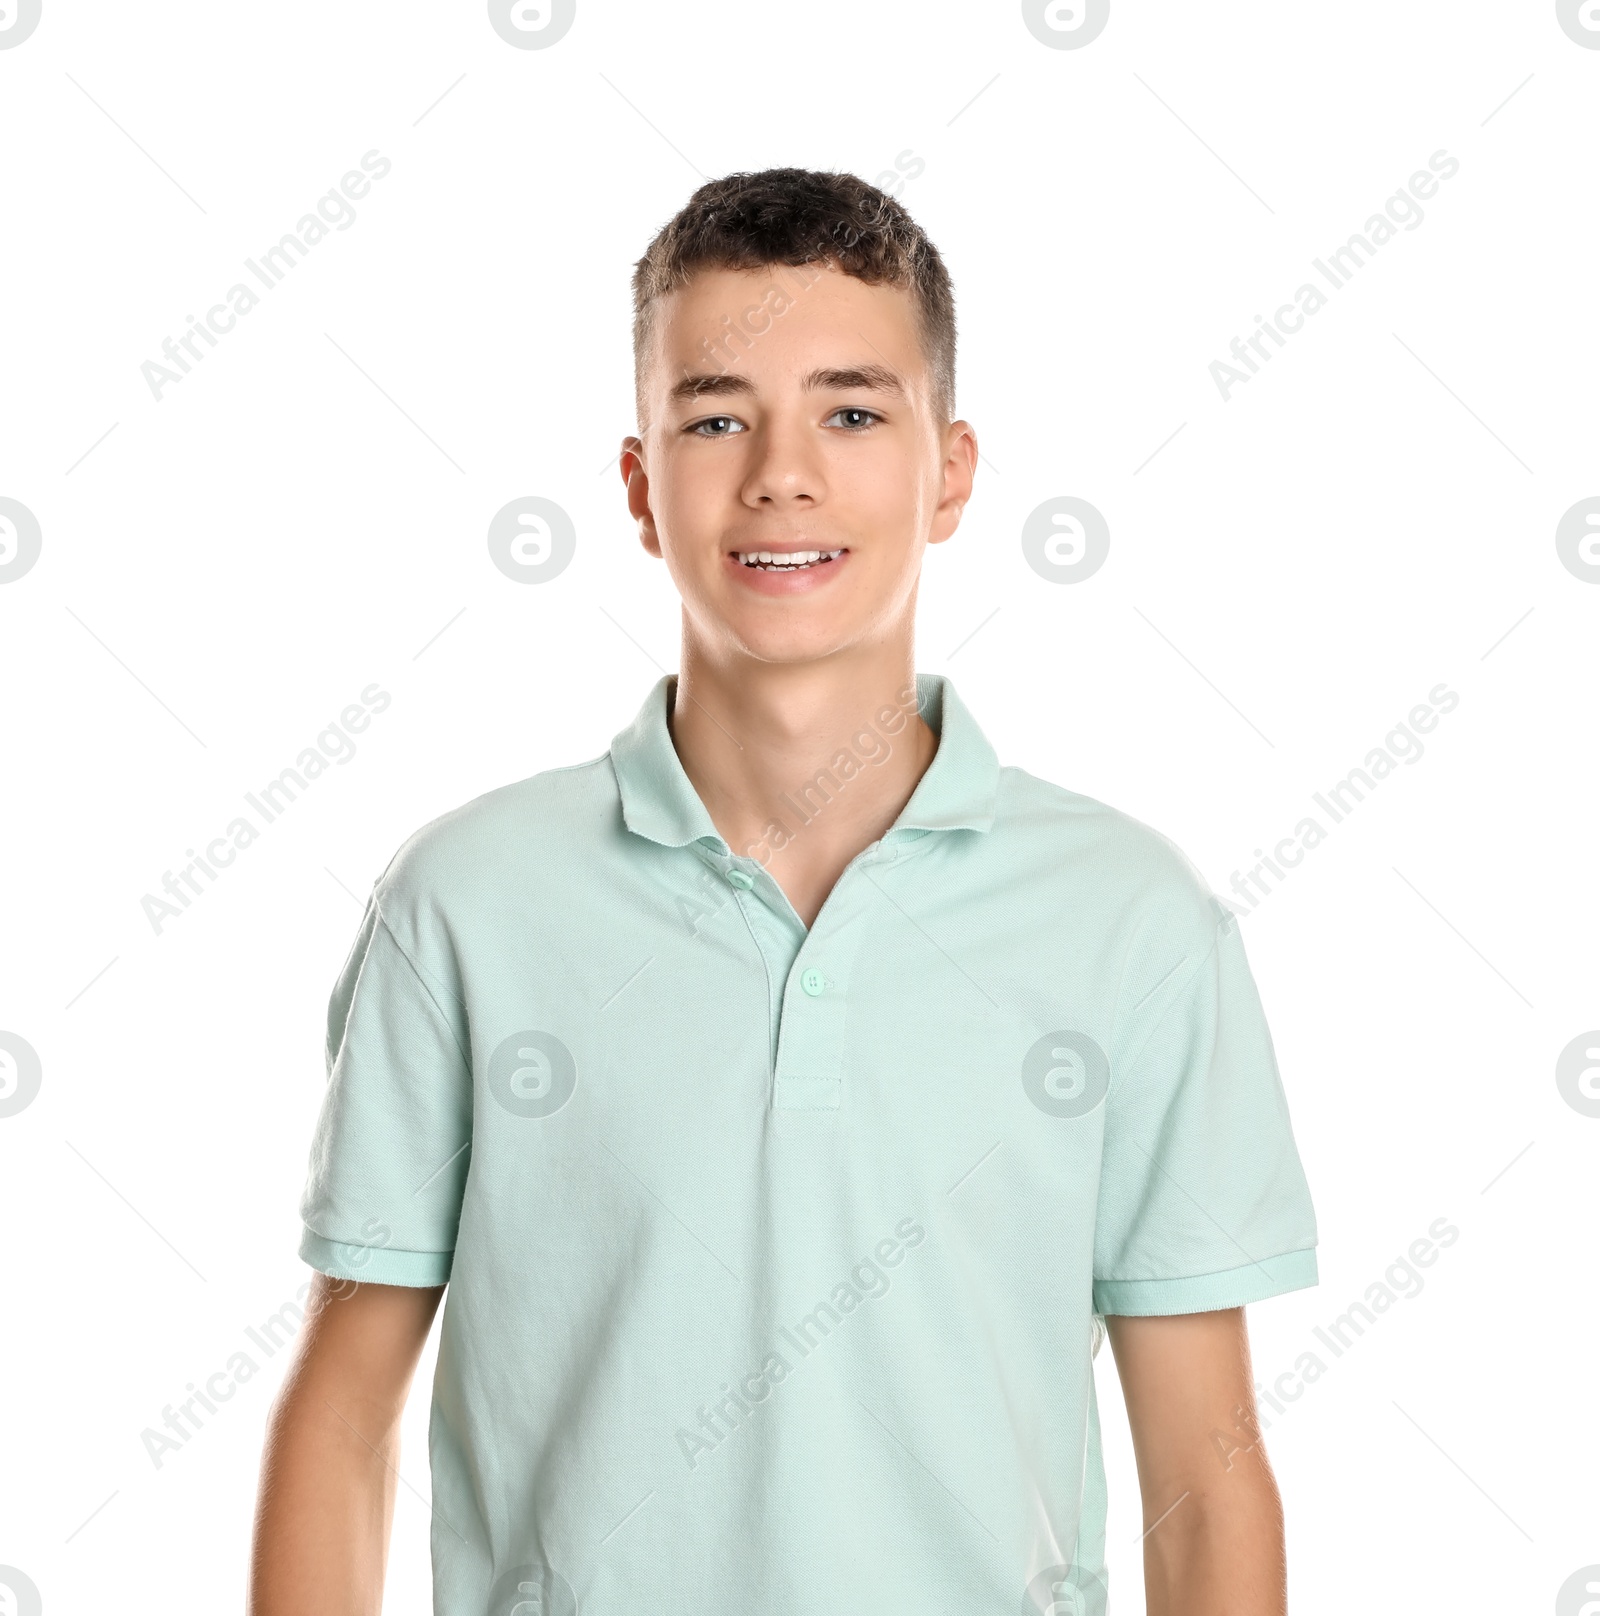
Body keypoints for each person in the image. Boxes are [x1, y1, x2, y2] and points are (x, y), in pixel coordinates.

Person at [249, 167, 1318, 1616]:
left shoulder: (1131, 920)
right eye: (714, 416)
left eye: (854, 412)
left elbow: (1206, 1472)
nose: (781, 473)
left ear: (950, 473)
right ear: (638, 484)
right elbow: (342, 1417)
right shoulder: (465, 903)